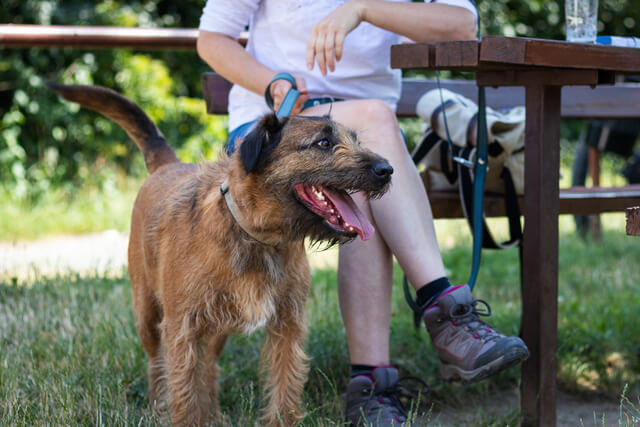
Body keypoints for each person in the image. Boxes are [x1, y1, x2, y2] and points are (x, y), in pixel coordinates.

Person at [197, 1, 529, 424]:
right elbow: (211, 39)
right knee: (374, 120)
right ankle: (446, 313)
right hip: (280, 132)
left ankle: (371, 387)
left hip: (368, 141)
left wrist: (363, 9)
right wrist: (273, 83)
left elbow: (463, 24)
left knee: (368, 164)